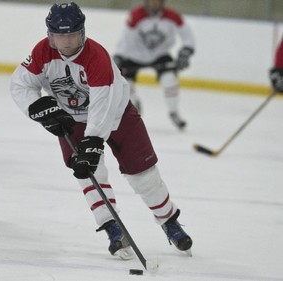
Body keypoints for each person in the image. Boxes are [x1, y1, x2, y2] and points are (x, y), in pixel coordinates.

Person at [10, 2, 193, 259]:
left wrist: (93, 139)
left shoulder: (96, 56)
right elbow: (19, 84)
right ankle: (113, 229)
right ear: (50, 34)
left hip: (116, 113)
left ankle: (168, 220)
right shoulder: (41, 52)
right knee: (88, 173)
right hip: (72, 119)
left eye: (71, 34)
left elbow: (102, 105)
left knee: (143, 174)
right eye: (59, 35)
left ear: (82, 32)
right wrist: (39, 108)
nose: (65, 42)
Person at [113, 0, 195, 130]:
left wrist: (185, 52)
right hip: (134, 55)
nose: (154, 4)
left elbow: (187, 36)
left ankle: (174, 112)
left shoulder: (173, 16)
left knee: (170, 80)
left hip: (160, 55)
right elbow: (125, 39)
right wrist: (119, 56)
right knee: (126, 86)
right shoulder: (136, 15)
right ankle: (134, 104)